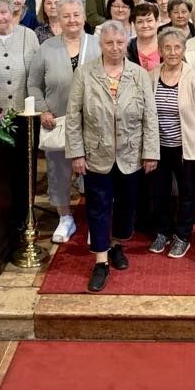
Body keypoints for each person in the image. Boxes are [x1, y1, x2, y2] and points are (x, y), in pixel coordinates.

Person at [65, 20, 159, 293]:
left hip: (131, 153)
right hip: (96, 153)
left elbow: (150, 116)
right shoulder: (84, 74)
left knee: (127, 205)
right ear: (100, 44)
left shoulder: (139, 74)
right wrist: (77, 153)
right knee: (98, 206)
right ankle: (101, 260)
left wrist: (150, 152)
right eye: (109, 43)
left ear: (126, 43)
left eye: (120, 42)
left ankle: (117, 244)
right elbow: (73, 116)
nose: (115, 48)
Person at [28, 0, 101, 245]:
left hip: (93, 122)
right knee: (58, 171)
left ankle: (96, 221)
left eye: (76, 14)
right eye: (66, 15)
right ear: (57, 18)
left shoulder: (97, 44)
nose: (72, 20)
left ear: (84, 17)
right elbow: (33, 84)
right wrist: (43, 110)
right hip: (57, 121)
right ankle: (65, 217)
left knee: (95, 171)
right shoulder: (47, 48)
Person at [147, 27, 195, 259]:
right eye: (167, 47)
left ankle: (182, 236)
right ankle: (163, 232)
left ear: (184, 50)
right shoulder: (151, 75)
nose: (172, 52)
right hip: (158, 147)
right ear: (160, 50)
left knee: (187, 194)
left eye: (177, 47)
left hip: (186, 148)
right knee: (159, 193)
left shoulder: (193, 77)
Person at [127, 2, 161, 71]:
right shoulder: (127, 47)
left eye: (149, 21)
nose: (145, 25)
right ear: (134, 24)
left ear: (157, 21)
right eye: (140, 22)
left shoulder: (167, 45)